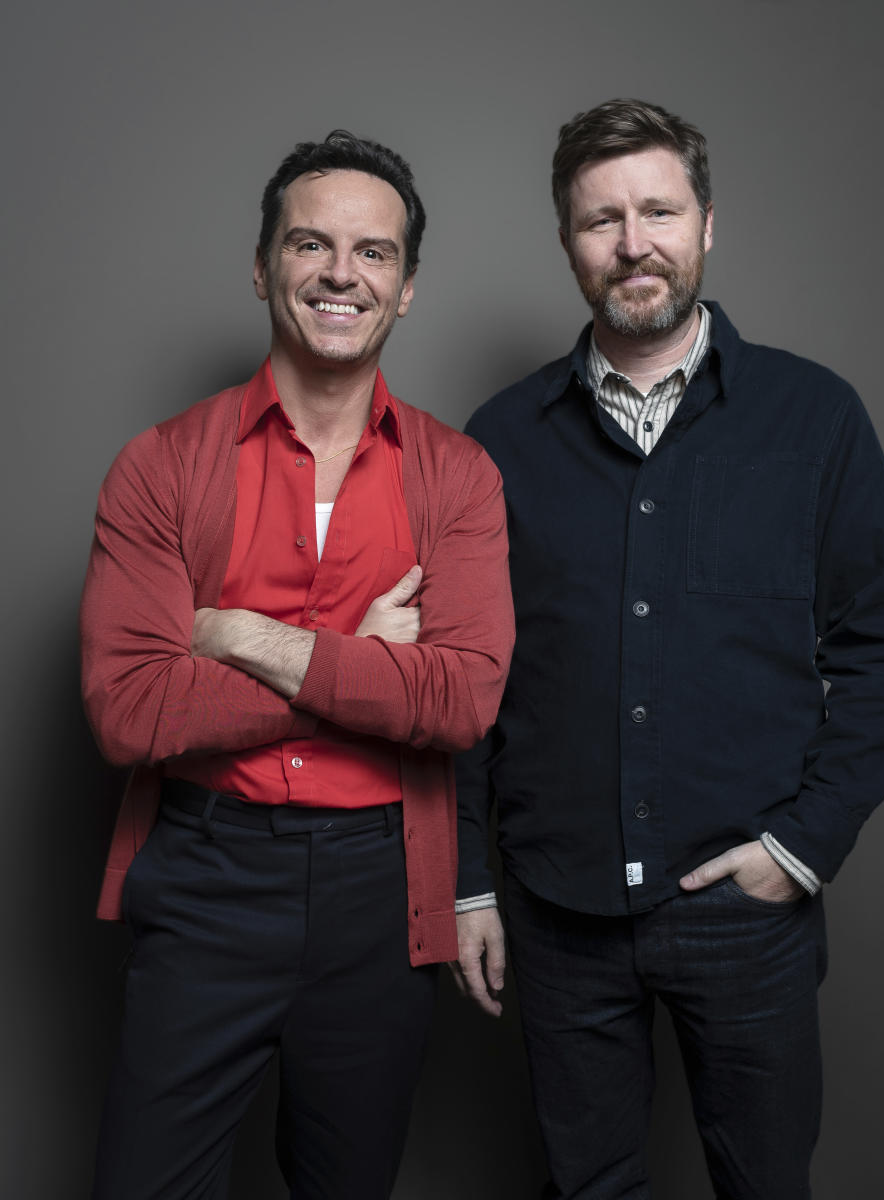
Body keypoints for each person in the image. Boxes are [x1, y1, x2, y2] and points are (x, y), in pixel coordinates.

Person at [452, 99, 884, 1200]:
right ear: (568, 242)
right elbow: (467, 679)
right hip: (557, 913)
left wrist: (801, 847)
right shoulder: (498, 440)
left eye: (658, 210)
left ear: (707, 223)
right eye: (601, 219)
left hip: (746, 910)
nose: (633, 243)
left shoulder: (815, 417)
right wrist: (470, 887)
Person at [81, 130, 514, 1200]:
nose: (340, 274)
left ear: (407, 289)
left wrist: (245, 637)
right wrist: (363, 668)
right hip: (208, 877)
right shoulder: (161, 466)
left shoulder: (456, 476)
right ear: (264, 263)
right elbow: (131, 715)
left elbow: (459, 700)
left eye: (374, 254)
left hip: (381, 891)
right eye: (311, 244)